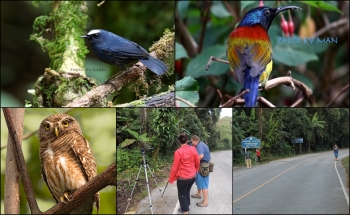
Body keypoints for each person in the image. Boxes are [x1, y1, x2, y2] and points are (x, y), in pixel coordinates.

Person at [169, 133, 199, 214]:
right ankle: (186, 205)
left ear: (179, 141)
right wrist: (196, 169)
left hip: (183, 178)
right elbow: (197, 161)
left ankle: (185, 211)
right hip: (192, 176)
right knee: (187, 191)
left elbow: (175, 167)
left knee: (182, 195)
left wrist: (171, 178)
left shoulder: (178, 152)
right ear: (187, 140)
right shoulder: (193, 149)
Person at [190, 135, 211, 207]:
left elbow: (201, 156)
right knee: (199, 181)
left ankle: (205, 202)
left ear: (195, 140)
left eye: (192, 141)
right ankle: (199, 194)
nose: (191, 143)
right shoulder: (200, 144)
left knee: (204, 184)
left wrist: (192, 162)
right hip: (201, 165)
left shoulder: (199, 146)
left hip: (203, 166)